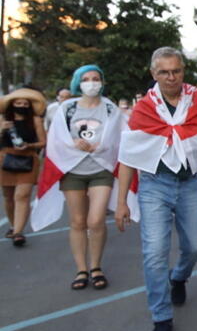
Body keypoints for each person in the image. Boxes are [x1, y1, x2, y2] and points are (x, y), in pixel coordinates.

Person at [114, 47, 197, 331]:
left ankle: (179, 276)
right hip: (154, 185)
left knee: (195, 245)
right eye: (164, 72)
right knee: (154, 253)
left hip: (193, 182)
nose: (171, 77)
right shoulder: (144, 109)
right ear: (154, 74)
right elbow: (129, 155)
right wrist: (122, 201)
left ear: (183, 70)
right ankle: (161, 315)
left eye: (176, 70)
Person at [31, 65, 131, 291]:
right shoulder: (66, 108)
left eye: (96, 78)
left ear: (102, 82)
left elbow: (121, 138)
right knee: (77, 221)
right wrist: (73, 143)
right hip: (72, 170)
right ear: (78, 82)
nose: (92, 82)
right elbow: (55, 139)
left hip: (101, 169)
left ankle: (96, 266)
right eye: (86, 79)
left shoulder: (110, 109)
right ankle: (81, 269)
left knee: (95, 220)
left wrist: (102, 145)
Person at [0, 87, 46, 246]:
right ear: (12, 104)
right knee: (9, 196)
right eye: (18, 102)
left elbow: (43, 142)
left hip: (27, 159)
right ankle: (13, 226)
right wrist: (2, 129)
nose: (22, 105)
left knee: (22, 195)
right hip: (5, 158)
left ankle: (18, 232)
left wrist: (29, 145)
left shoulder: (35, 120)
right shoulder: (3, 120)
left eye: (25, 103)